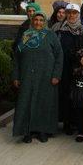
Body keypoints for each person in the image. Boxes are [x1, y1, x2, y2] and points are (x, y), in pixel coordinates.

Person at [12, 10, 63, 143]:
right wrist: (16, 76)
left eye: (41, 20)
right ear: (32, 21)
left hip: (46, 77)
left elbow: (59, 55)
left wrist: (56, 75)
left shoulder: (51, 35)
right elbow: (17, 57)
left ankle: (43, 131)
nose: (38, 22)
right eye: (36, 20)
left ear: (44, 22)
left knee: (44, 103)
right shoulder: (25, 35)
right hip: (27, 76)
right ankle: (26, 131)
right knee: (26, 103)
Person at [56, 3, 83, 135]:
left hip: (79, 69)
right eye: (69, 13)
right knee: (65, 95)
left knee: (77, 96)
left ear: (78, 14)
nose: (72, 15)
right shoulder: (59, 28)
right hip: (64, 68)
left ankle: (77, 123)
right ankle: (66, 123)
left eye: (74, 13)